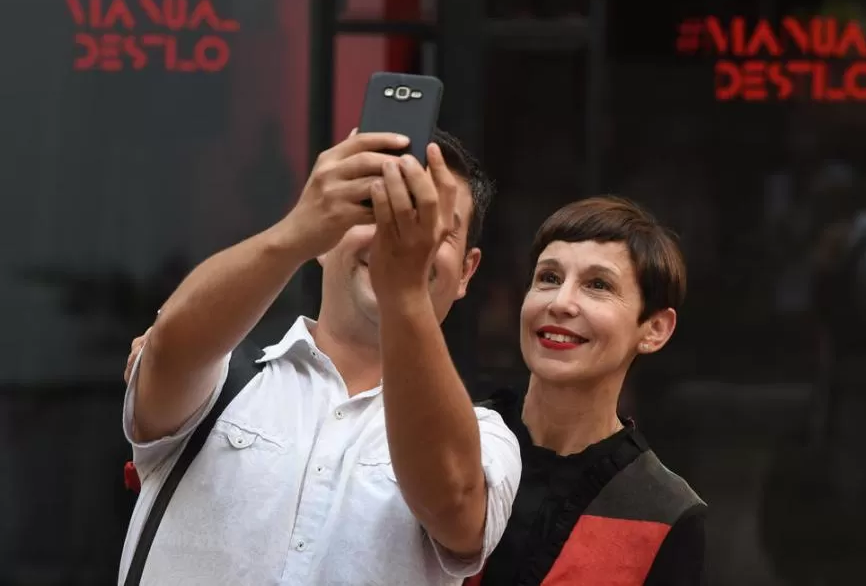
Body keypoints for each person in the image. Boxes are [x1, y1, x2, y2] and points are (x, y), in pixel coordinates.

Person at [119, 129, 521, 585]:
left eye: (433, 229)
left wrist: (403, 292)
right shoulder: (224, 374)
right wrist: (296, 231)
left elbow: (453, 504)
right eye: (374, 210)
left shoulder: (488, 439)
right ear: (326, 237)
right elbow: (170, 351)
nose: (399, 237)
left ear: (467, 272)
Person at [467, 196, 707, 586]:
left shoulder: (665, 511)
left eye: (598, 285)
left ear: (655, 329)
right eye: (548, 278)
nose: (561, 303)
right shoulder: (450, 443)